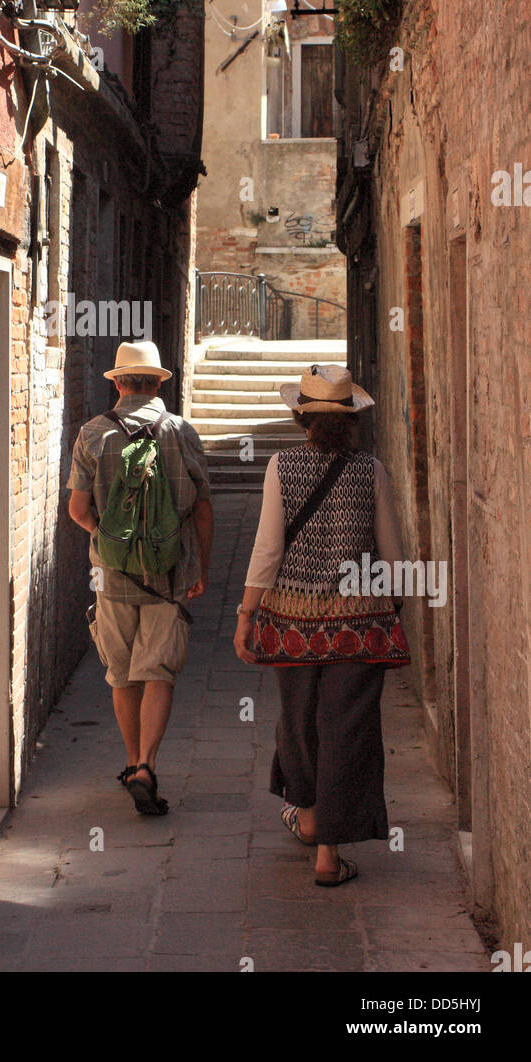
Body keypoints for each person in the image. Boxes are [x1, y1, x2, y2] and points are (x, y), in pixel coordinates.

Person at [233, 363, 410, 886]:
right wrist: (392, 608)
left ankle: (307, 817)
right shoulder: (370, 470)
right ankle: (327, 851)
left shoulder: (281, 467)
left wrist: (246, 616)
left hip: (292, 622)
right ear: (350, 417)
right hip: (359, 624)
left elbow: (267, 550)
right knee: (346, 729)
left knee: (301, 721)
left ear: (300, 416)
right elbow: (393, 555)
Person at [68, 341, 213, 815]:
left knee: (122, 673)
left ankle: (131, 762)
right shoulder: (181, 432)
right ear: (157, 383)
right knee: (158, 671)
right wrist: (202, 567)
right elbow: (204, 509)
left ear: (116, 382)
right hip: (170, 573)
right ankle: (149, 763)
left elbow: (78, 509)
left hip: (112, 577)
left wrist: (111, 541)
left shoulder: (92, 433)